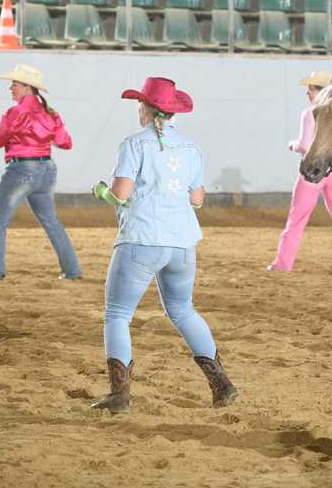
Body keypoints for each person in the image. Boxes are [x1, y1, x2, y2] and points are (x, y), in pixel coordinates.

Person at [90, 77, 238, 414]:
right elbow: (197, 199)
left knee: (117, 314)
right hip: (182, 242)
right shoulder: (192, 149)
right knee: (183, 310)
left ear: (145, 108)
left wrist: (101, 193)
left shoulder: (133, 144)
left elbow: (121, 194)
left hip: (142, 238)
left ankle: (119, 395)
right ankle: (222, 384)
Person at [0, 64, 81, 282]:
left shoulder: (14, 112)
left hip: (21, 169)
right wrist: (42, 137)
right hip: (46, 170)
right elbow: (66, 143)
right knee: (51, 222)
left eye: (14, 84)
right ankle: (72, 270)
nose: (11, 88)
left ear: (27, 87)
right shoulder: (51, 113)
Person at [267, 71, 332, 273]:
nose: (308, 93)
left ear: (322, 92)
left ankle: (283, 263)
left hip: (312, 173)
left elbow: (306, 146)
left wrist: (293, 145)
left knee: (297, 219)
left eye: (312, 89)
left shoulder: (310, 113)